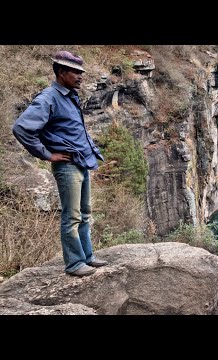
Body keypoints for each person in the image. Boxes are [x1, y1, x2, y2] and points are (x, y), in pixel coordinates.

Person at [12, 50, 108, 277]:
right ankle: (74, 263)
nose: (80, 76)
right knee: (72, 215)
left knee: (85, 213)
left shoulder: (69, 95)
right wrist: (47, 155)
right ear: (61, 72)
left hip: (81, 162)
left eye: (81, 71)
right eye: (75, 71)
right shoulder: (48, 98)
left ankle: (87, 256)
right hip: (67, 167)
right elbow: (21, 128)